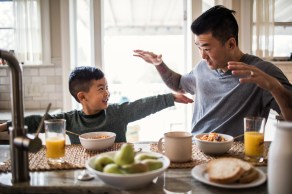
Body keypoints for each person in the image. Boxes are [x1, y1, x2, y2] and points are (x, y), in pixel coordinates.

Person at [133, 5, 292, 138]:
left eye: (207, 48)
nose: (202, 55)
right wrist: (159, 64)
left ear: (231, 44)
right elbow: (179, 85)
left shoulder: (262, 72)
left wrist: (274, 87)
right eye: (199, 47)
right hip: (196, 150)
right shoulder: (202, 68)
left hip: (237, 157)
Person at [0, 66, 193, 143]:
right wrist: (7, 125)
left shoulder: (117, 113)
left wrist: (170, 98)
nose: (107, 93)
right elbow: (38, 121)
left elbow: (141, 105)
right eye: (101, 89)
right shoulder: (69, 121)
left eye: (107, 87)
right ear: (82, 97)